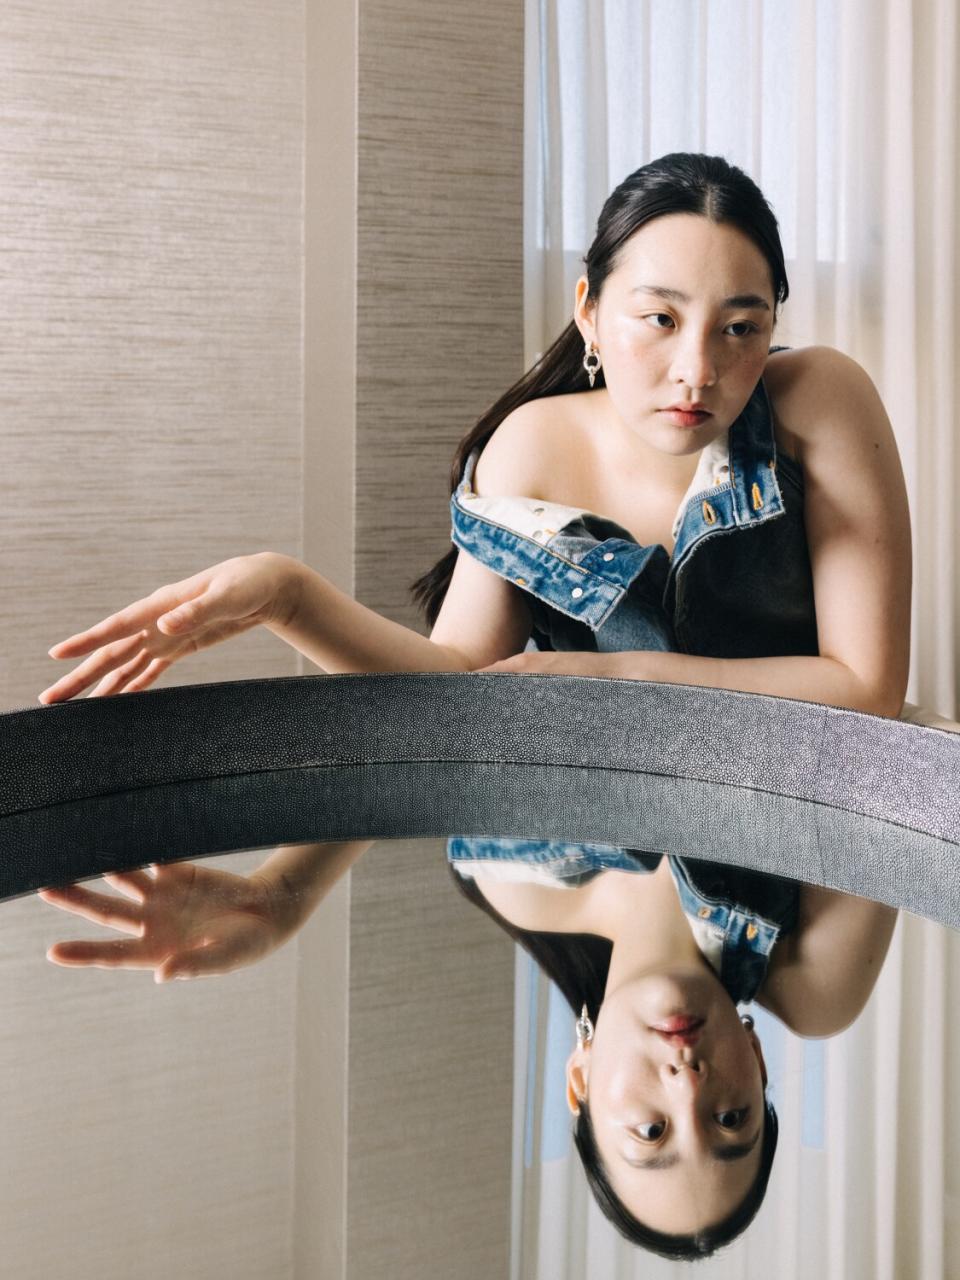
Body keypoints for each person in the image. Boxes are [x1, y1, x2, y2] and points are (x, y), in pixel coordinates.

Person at [37, 153, 910, 1255]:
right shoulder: (812, 982)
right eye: (730, 1121)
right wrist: (287, 591)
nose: (700, 365)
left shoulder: (523, 879)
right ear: (590, 310)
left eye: (650, 1128)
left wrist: (293, 888)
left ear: (582, 1078)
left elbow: (868, 688)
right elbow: (461, 682)